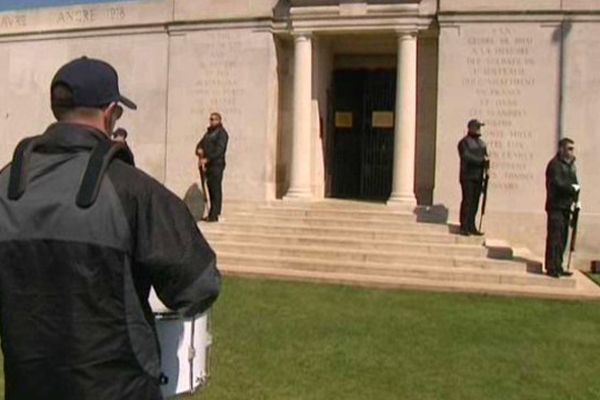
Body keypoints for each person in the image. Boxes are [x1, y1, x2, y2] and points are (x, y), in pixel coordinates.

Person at [0, 56, 220, 400]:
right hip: (118, 388)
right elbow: (199, 285)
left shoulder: (6, 185)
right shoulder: (132, 189)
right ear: (111, 113)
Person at [545, 137, 579, 278]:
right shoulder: (555, 165)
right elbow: (557, 183)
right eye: (569, 149)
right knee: (555, 237)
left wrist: (576, 197)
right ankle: (551, 266)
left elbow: (575, 183)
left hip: (566, 206)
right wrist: (572, 189)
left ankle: (559, 264)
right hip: (556, 205)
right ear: (561, 149)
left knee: (563, 238)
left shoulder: (571, 165)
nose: (571, 152)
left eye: (572, 149)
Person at [457, 118, 489, 236]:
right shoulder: (464, 142)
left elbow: (486, 158)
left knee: (475, 202)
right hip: (468, 176)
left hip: (479, 176)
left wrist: (486, 166)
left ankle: (472, 225)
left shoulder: (482, 144)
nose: (479, 129)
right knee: (468, 200)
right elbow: (466, 157)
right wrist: (481, 161)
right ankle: (464, 225)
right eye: (477, 127)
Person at [196, 112, 229, 222]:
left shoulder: (222, 134)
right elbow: (200, 144)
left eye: (213, 119)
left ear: (219, 120)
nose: (211, 121)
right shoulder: (208, 133)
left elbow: (219, 150)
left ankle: (215, 214)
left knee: (215, 189)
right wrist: (199, 150)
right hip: (208, 166)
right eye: (210, 119)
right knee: (210, 188)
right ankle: (211, 213)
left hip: (216, 165)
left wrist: (207, 158)